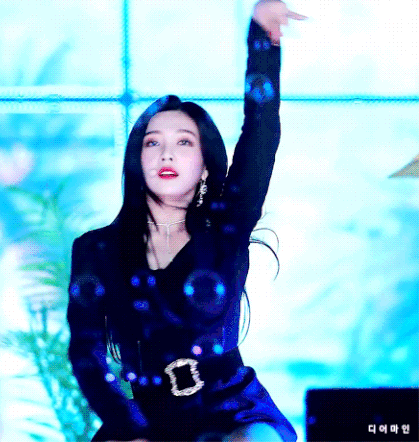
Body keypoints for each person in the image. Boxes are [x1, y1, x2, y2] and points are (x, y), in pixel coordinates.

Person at [67, 1, 308, 441]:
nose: (166, 154)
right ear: (136, 159)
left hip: (232, 408)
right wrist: (130, 428)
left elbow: (261, 132)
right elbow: (86, 354)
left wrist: (261, 41)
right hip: (144, 416)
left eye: (183, 142)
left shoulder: (227, 228)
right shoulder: (96, 249)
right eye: (152, 142)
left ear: (204, 163)